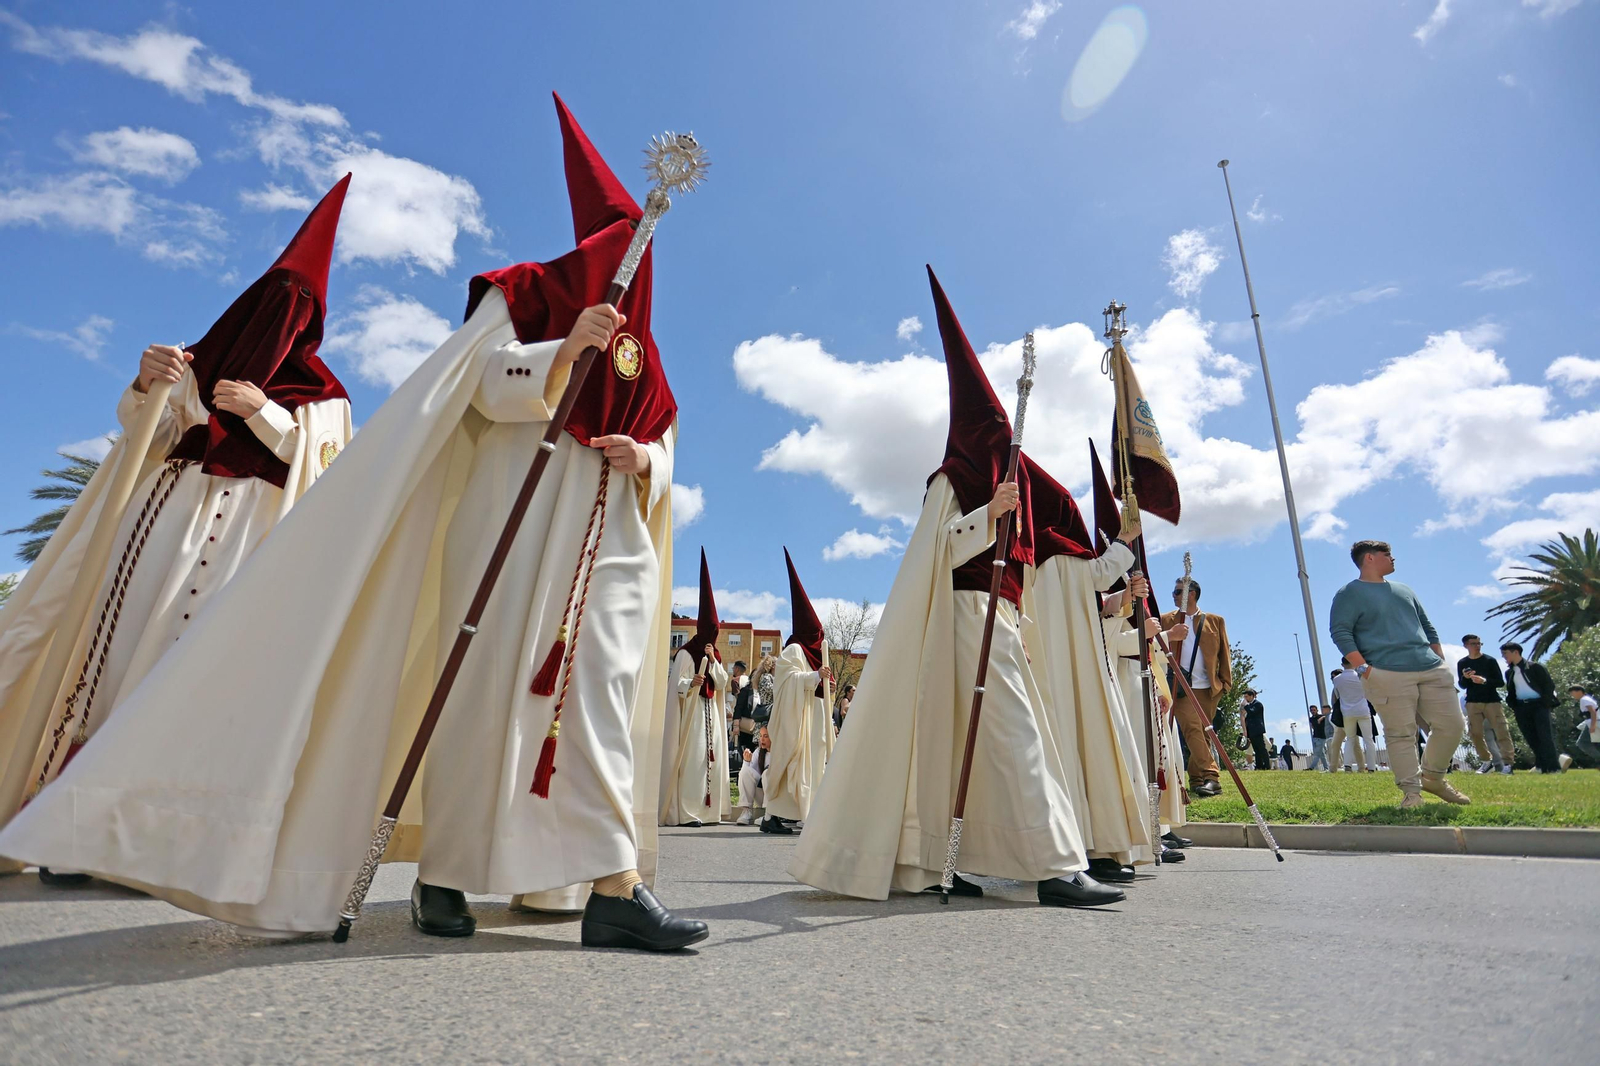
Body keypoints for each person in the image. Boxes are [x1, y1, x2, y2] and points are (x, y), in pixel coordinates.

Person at [0, 94, 704, 951]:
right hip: (513, 536)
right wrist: (558, 356)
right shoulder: (525, 296)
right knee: (479, 699)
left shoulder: (651, 358)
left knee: (596, 698)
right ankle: (445, 872)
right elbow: (479, 382)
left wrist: (649, 461)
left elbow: (663, 434)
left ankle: (611, 885)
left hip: (610, 545)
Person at [0, 176, 355, 886]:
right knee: (119, 663)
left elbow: (330, 471)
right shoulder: (196, 366)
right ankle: (74, 833)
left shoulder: (324, 395)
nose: (275, 320)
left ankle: (161, 846)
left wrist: (265, 414)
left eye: (294, 309)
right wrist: (147, 384)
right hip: (160, 529)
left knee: (190, 676)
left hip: (245, 542)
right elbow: (147, 437)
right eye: (267, 303)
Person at [788, 267, 1121, 908]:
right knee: (1018, 737)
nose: (1002, 449)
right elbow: (936, 551)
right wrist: (987, 516)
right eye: (992, 435)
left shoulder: (1009, 483)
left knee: (999, 739)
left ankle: (956, 855)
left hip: (1002, 620)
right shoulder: (952, 481)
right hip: (965, 616)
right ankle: (1052, 866)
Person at [1022, 452, 1155, 882]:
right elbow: (1096, 577)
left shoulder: (1031, 556)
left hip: (1058, 668)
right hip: (1076, 671)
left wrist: (1122, 599)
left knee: (1074, 751)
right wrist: (1126, 539)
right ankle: (1090, 847)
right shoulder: (1059, 552)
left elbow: (1091, 600)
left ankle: (1090, 846)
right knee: (1086, 748)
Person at [1328, 539, 1468, 807]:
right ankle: (1412, 794)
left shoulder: (1405, 590)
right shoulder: (1348, 593)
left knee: (1453, 725)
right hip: (1385, 672)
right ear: (1369, 558)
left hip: (1431, 669)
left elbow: (1427, 626)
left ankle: (1434, 778)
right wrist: (1364, 669)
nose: (1393, 559)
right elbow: (1341, 632)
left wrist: (1439, 659)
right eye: (1387, 554)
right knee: (1401, 734)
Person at [762, 549, 834, 834]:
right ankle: (772, 817)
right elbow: (787, 680)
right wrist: (815, 676)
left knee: (812, 765)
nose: (819, 639)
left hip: (813, 719)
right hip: (795, 720)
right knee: (791, 763)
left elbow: (816, 684)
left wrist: (825, 683)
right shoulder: (793, 649)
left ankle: (804, 813)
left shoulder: (815, 654)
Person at [662, 550, 731, 826]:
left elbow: (724, 683)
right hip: (690, 718)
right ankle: (688, 812)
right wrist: (690, 683)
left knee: (709, 762)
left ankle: (708, 812)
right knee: (693, 762)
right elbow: (675, 686)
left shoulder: (715, 656)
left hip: (710, 715)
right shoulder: (685, 654)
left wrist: (713, 662)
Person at [1160, 577, 1232, 797]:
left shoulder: (1214, 620)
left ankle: (1196, 779)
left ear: (1191, 594)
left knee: (1202, 733)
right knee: (1192, 728)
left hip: (1208, 687)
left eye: (1177, 592)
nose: (1173, 595)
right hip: (1179, 686)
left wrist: (1225, 684)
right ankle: (1212, 777)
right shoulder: (1165, 620)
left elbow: (1224, 653)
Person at [1501, 643, 1561, 774]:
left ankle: (1553, 767)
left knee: (1545, 736)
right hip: (1521, 707)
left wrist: (1545, 703)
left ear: (1515, 652)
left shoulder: (1535, 667)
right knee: (1530, 737)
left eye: (1505, 653)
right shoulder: (1509, 672)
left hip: (1539, 706)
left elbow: (1548, 685)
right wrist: (1513, 705)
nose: (1503, 657)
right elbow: (1511, 691)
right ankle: (1541, 766)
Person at [1457, 635, 1514, 774]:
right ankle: (1486, 762)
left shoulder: (1490, 660)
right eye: (1474, 643)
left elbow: (1500, 682)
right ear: (1466, 645)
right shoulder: (1462, 663)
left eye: (1479, 643)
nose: (1477, 646)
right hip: (1472, 702)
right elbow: (1462, 685)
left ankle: (1508, 764)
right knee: (1475, 733)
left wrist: (1484, 681)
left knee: (1501, 731)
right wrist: (1466, 678)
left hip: (1492, 701)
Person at [1331, 657, 1379, 772]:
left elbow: (1337, 695)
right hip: (1363, 710)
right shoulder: (1361, 675)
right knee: (1368, 740)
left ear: (1342, 664)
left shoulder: (1337, 679)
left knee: (1350, 739)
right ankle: (1371, 767)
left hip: (1347, 712)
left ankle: (1347, 765)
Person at [733, 728, 770, 827]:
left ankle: (769, 816)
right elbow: (747, 774)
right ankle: (746, 811)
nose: (762, 739)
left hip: (777, 798)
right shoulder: (759, 752)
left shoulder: (780, 754)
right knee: (745, 770)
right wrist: (746, 761)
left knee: (767, 773)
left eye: (765, 736)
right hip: (762, 796)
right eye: (760, 736)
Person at [729, 659, 756, 757]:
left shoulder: (735, 680)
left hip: (741, 718)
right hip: (753, 720)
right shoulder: (748, 680)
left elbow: (738, 699)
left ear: (736, 669)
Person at [1241, 689, 1269, 770]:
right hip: (1252, 731)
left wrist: (1246, 705)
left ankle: (1267, 765)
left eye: (1246, 696)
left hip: (1257, 730)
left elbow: (1252, 712)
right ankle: (1259, 766)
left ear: (1251, 696)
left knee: (1262, 749)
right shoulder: (1250, 705)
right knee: (1256, 750)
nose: (1245, 698)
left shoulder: (1258, 704)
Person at [1572, 686, 1599, 765]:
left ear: (1579, 691)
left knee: (1582, 743)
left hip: (1594, 723)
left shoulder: (1584, 700)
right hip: (1595, 722)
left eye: (1572, 692)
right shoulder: (1587, 699)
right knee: (1595, 743)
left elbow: (1593, 712)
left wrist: (1593, 725)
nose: (1572, 695)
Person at [1307, 705, 1331, 771]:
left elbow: (1328, 716)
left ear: (1317, 710)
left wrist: (1322, 718)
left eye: (1314, 710)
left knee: (1317, 753)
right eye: (1311, 710)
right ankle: (1326, 768)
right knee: (1321, 754)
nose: (1313, 711)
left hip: (1322, 737)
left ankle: (1311, 767)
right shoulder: (1311, 719)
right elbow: (1313, 727)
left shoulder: (1321, 716)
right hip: (1315, 737)